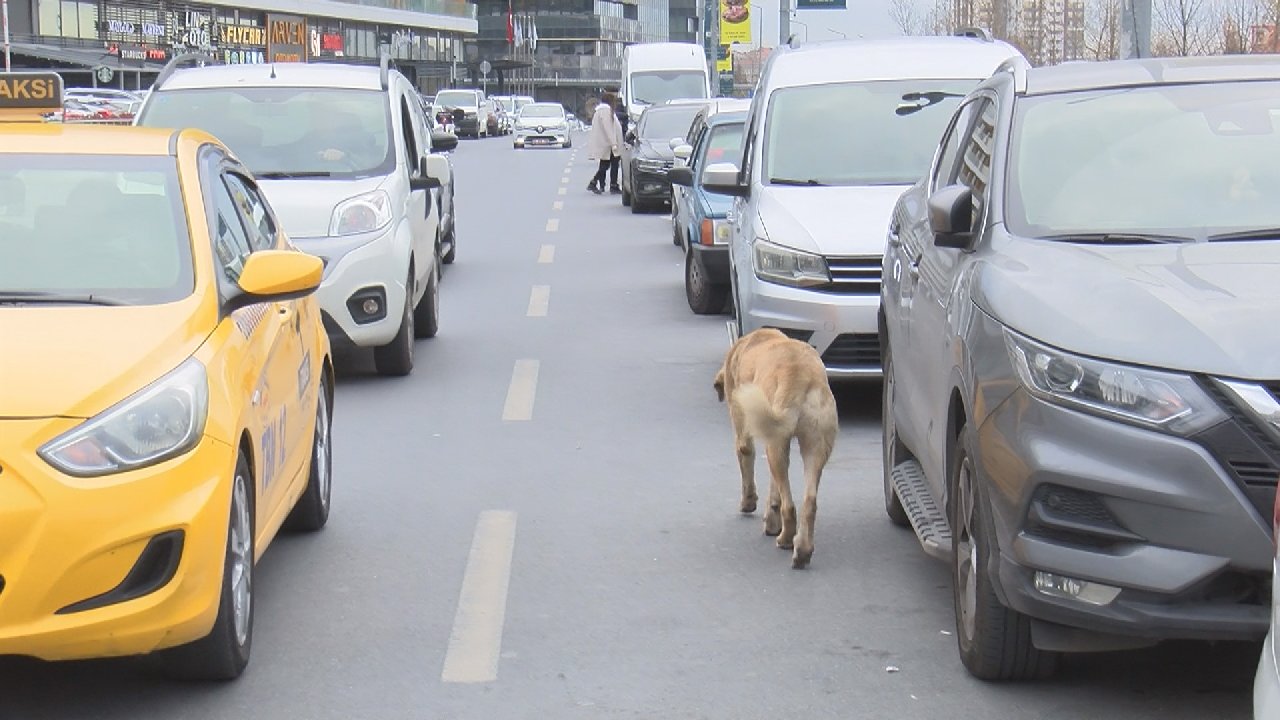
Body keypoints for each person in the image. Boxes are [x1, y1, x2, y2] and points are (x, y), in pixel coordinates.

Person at [587, 91, 623, 195]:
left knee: (605, 164)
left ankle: (601, 184)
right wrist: (614, 144)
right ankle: (608, 184)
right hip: (608, 145)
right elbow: (609, 129)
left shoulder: (601, 111)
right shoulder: (606, 111)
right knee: (612, 164)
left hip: (605, 144)